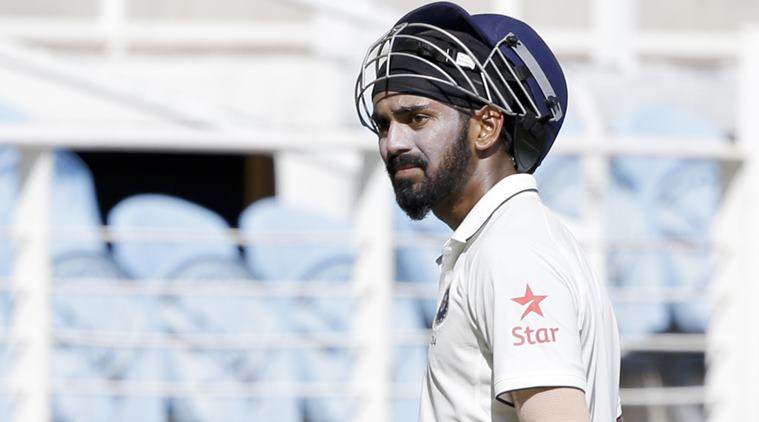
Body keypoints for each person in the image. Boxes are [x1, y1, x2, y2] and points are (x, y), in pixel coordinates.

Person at [354, 2, 622, 421]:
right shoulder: (507, 240)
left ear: (487, 126)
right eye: (384, 124)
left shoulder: (512, 253)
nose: (393, 143)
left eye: (417, 118)